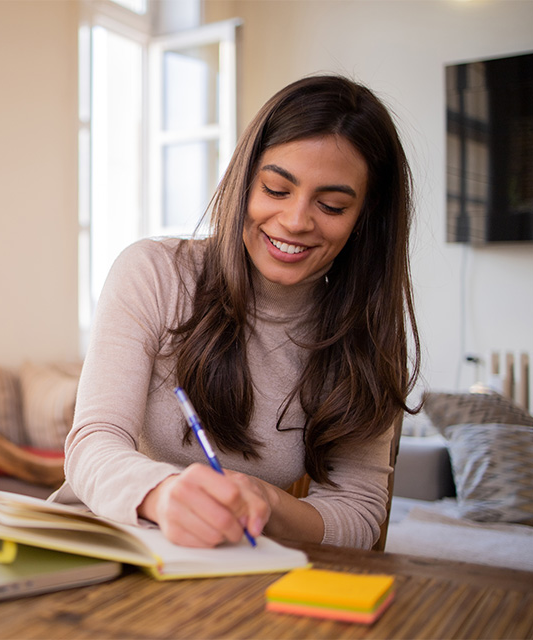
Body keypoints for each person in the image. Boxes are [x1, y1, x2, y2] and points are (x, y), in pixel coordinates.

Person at [51, 75, 421, 551]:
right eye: (275, 189)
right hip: (103, 545)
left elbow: (360, 513)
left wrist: (267, 503)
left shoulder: (365, 334)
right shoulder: (154, 272)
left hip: (230, 570)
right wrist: (162, 495)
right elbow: (92, 444)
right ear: (243, 181)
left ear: (365, 219)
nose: (295, 221)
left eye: (331, 205)